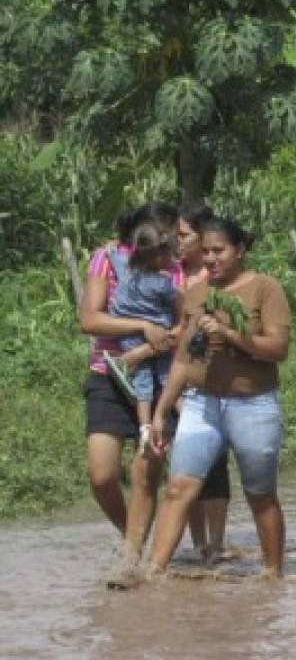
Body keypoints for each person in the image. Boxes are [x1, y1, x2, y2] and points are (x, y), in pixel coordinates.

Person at [148, 217, 290, 579]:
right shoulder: (195, 293)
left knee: (260, 493)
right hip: (201, 402)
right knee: (179, 487)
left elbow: (277, 348)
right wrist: (161, 412)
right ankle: (152, 573)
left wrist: (229, 334)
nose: (211, 258)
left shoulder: (265, 288)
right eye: (206, 251)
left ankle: (273, 574)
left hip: (253, 403)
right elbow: (183, 358)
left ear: (239, 250)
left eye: (219, 251)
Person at [79, 201, 180, 578]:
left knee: (145, 473)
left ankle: (132, 561)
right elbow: (90, 319)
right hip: (108, 374)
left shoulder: (177, 269)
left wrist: (153, 344)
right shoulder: (106, 259)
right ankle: (131, 539)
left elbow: (184, 324)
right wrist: (143, 327)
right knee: (101, 475)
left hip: (157, 378)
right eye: (171, 231)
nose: (175, 239)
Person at [177, 202, 231, 562]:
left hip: (208, 376)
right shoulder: (169, 272)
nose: (176, 241)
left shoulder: (216, 280)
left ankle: (216, 542)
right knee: (184, 464)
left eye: (183, 235)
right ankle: (197, 543)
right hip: (173, 376)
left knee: (214, 461)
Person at [101, 223, 182, 455]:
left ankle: (144, 426)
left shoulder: (126, 270)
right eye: (168, 253)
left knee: (142, 381)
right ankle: (185, 415)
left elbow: (112, 254)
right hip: (158, 337)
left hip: (127, 337)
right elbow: (177, 304)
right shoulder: (162, 283)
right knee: (168, 377)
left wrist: (110, 249)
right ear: (157, 257)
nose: (172, 258)